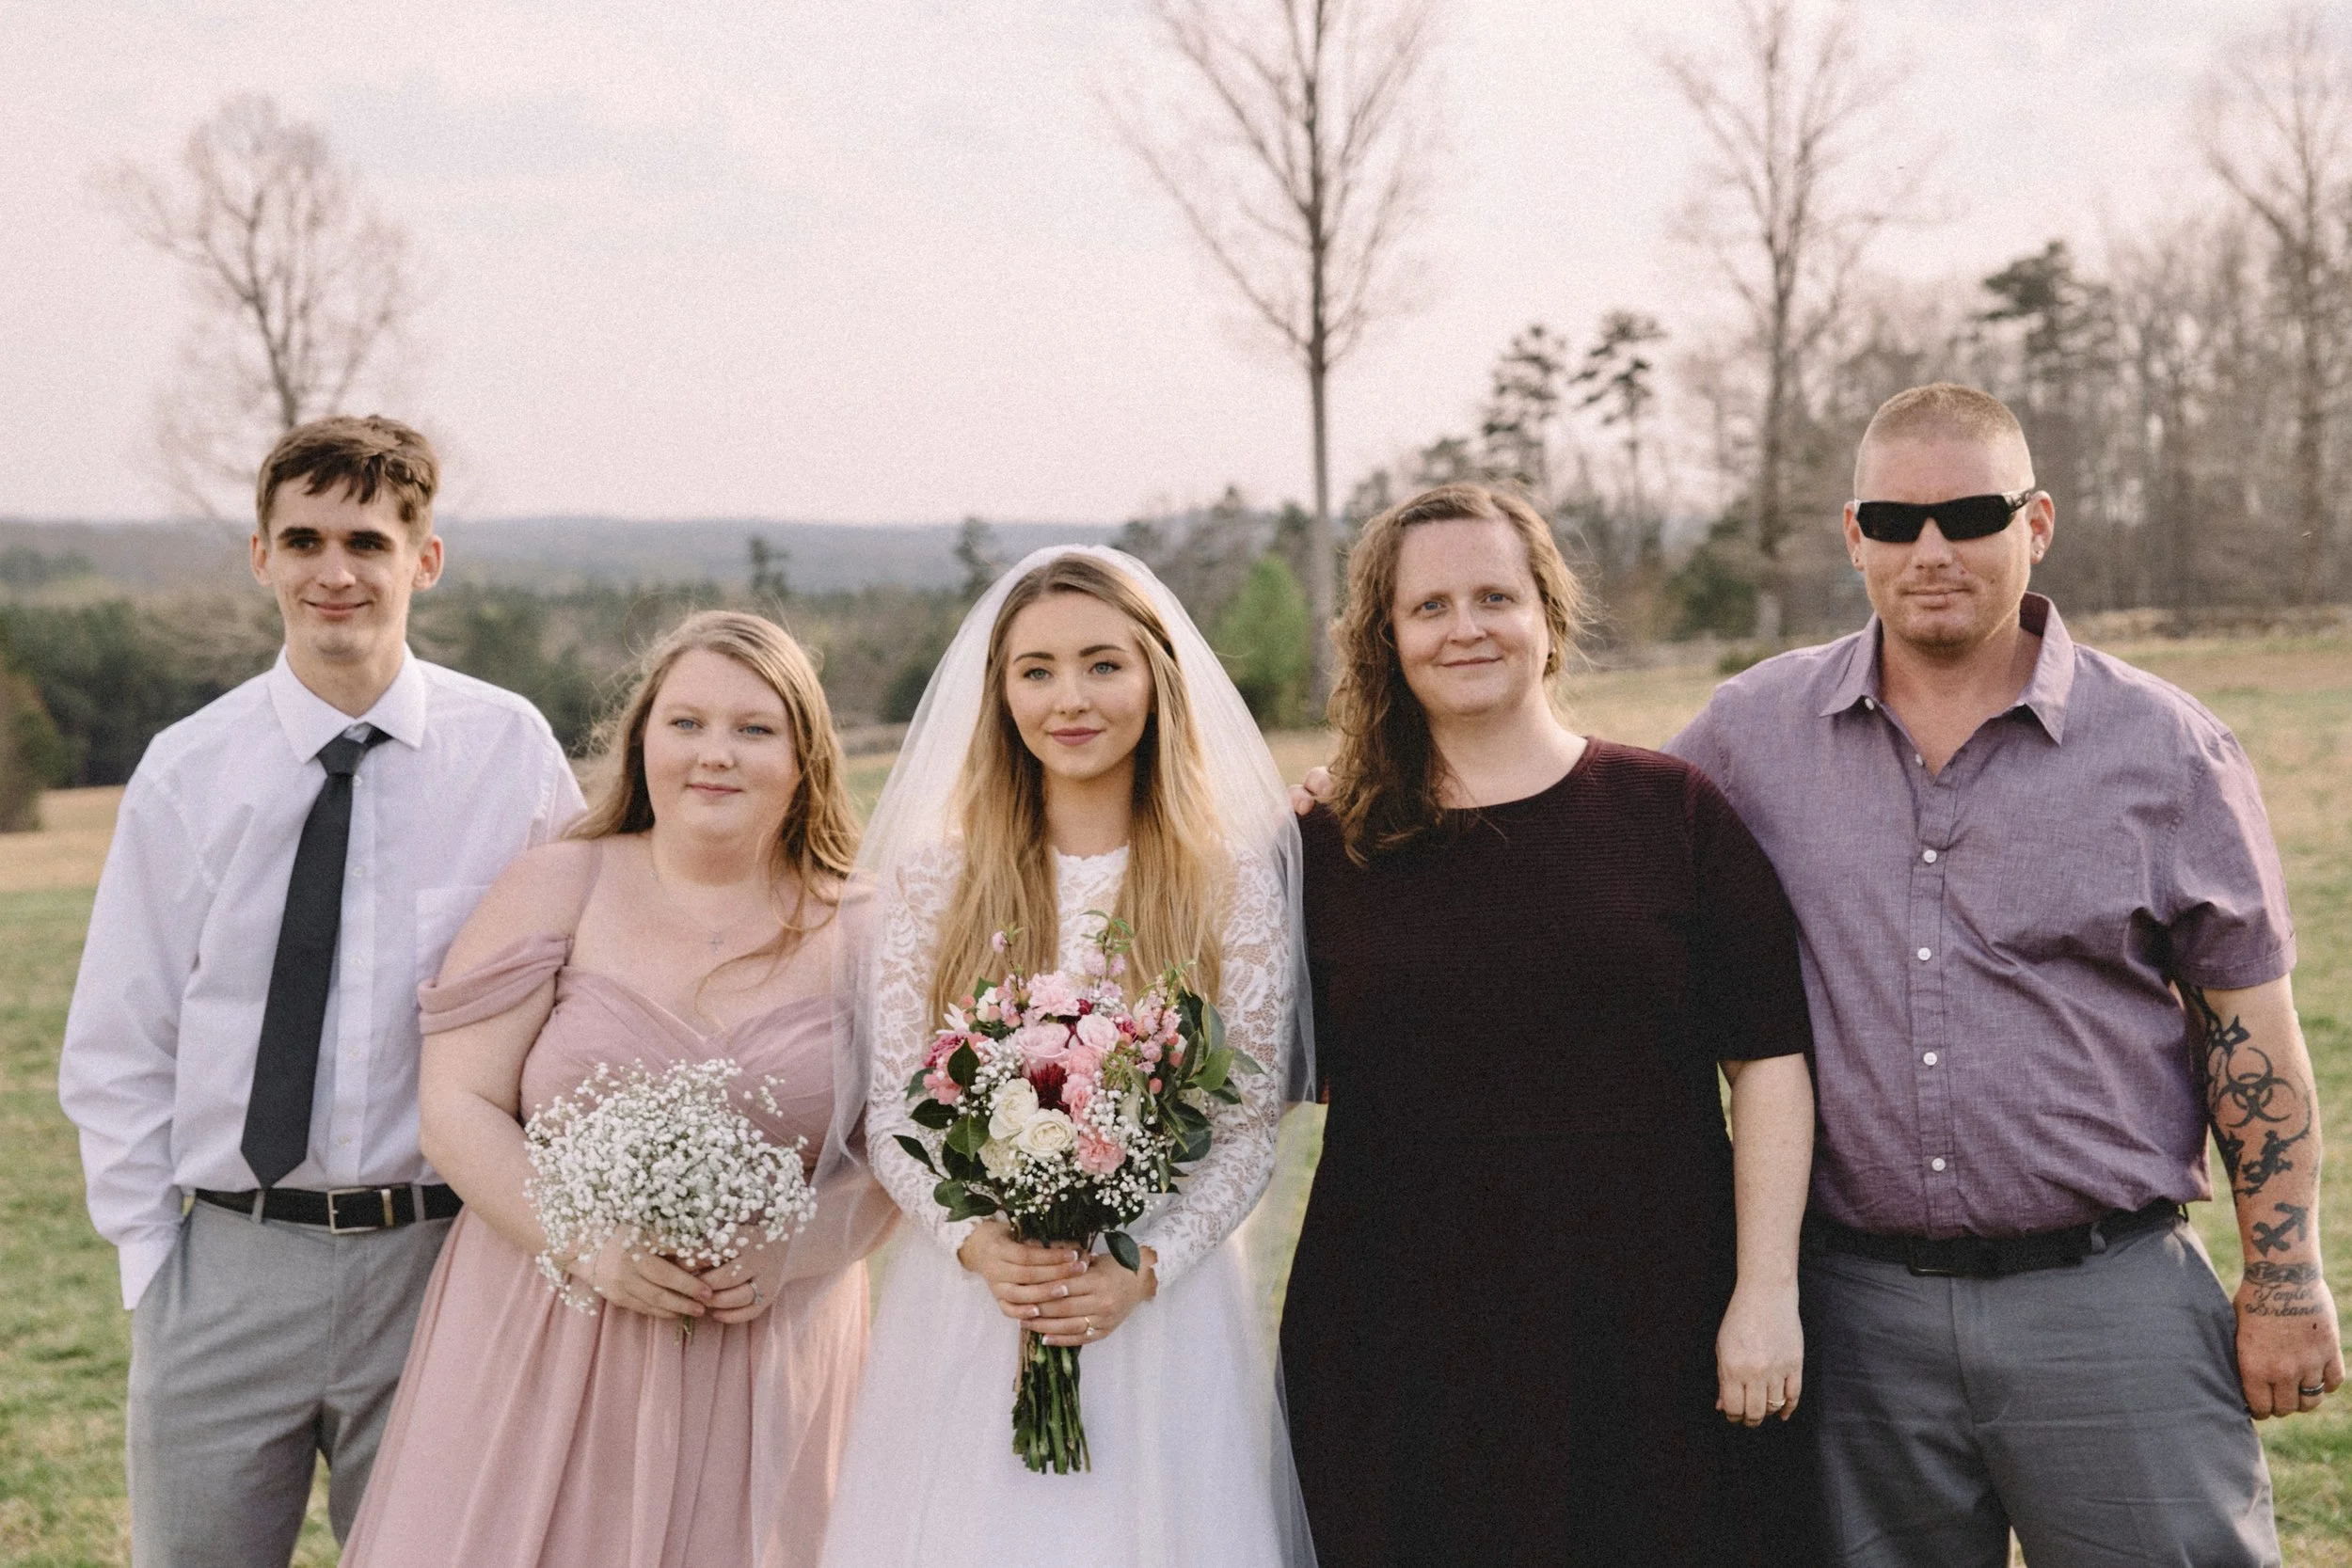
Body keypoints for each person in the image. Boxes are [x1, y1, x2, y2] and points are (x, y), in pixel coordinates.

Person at [1665, 382, 2343, 1567]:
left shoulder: (2167, 750)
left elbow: (2252, 1033)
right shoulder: (1749, 733)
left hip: (2110, 1301)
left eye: (1970, 513)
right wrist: (1358, 803)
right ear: (1853, 535)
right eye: (1896, 518)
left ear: (2034, 524)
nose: (1931, 549)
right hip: (1855, 1317)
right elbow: (1585, 841)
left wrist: (2284, 1278)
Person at [56, 416, 585, 1566]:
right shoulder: (189, 768)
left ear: (423, 559)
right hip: (229, 1264)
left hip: (440, 1258)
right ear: (262, 557)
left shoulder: (508, 752)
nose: (333, 571)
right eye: (302, 540)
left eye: (367, 540)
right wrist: (157, 1268)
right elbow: (118, 1036)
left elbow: (576, 992)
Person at [1282, 483, 1827, 1567]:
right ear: (1385, 639)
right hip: (1399, 1328)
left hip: (1652, 1314)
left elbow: (1767, 1058)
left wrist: (1765, 1291)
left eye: (1495, 594)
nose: (1466, 626)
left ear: (1549, 615)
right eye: (1427, 606)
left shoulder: (1671, 811)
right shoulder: (1323, 846)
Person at [340, 611, 898, 1568]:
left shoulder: (867, 922)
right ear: (642, 741)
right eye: (685, 723)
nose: (713, 754)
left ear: (806, 754)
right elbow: (457, 1105)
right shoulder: (557, 882)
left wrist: (789, 1245)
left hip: (766, 1355)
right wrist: (584, 1240)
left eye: (753, 729)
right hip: (543, 1332)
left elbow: (905, 1154)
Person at [820, 548, 1316, 1568]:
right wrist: (978, 1244)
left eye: (1103, 663)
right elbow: (893, 1122)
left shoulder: (1223, 882)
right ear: (1000, 693)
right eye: (1036, 669)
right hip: (975, 1306)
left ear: (1155, 680)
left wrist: (1138, 1270)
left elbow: (1246, 1135)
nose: (1069, 698)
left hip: (1155, 1310)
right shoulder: (935, 882)